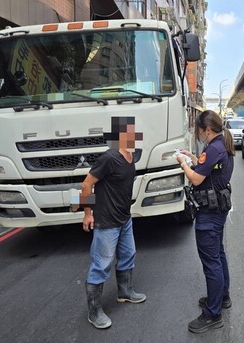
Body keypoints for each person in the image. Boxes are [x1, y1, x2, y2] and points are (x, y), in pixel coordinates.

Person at [81, 117, 146, 329]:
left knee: (128, 254)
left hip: (124, 218)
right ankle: (94, 311)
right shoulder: (109, 158)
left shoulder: (131, 156)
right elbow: (86, 185)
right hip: (106, 221)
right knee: (101, 265)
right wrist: (88, 214)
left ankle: (125, 292)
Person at [176, 110, 235, 334]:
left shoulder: (213, 149)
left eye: (199, 131)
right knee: (218, 255)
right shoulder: (222, 144)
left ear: (207, 130)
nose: (199, 135)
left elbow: (196, 178)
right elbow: (209, 169)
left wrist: (183, 163)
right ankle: (222, 297)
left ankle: (213, 314)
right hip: (217, 210)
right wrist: (192, 158)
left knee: (211, 262)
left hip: (209, 214)